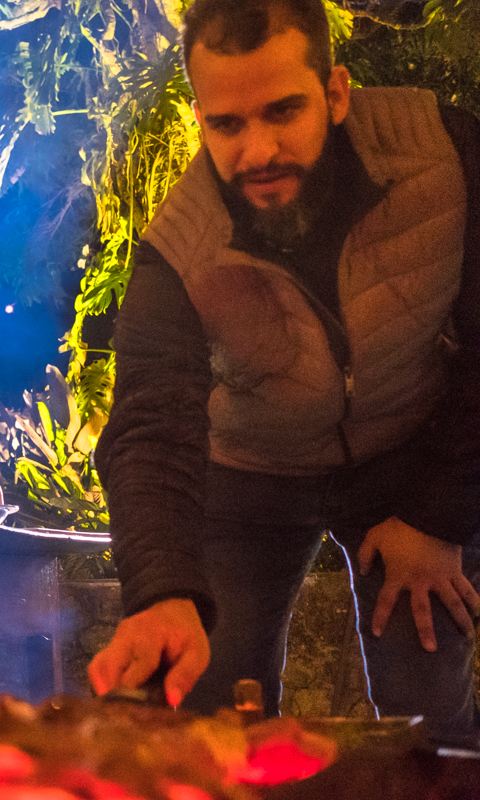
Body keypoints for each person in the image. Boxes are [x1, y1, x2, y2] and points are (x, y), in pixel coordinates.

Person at [86, 0, 480, 746]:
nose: (258, 150)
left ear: (335, 93)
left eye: (283, 110)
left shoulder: (445, 157)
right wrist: (164, 589)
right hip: (249, 472)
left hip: (411, 451)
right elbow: (148, 420)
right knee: (209, 722)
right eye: (227, 125)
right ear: (201, 118)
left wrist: (436, 514)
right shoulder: (180, 246)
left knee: (433, 724)